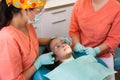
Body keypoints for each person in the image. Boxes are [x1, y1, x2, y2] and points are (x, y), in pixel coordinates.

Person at [0, 0, 54, 80]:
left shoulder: (28, 25)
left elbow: (29, 42)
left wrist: (53, 40)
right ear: (25, 10)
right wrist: (37, 64)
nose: (40, 14)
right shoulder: (7, 38)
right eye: (38, 11)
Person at [69, 0, 120, 80]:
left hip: (103, 53)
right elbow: (74, 30)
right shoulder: (80, 3)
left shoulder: (116, 8)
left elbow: (114, 39)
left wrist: (97, 50)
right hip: (80, 52)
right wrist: (77, 44)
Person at [41, 38, 115, 80]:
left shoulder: (86, 59)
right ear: (54, 57)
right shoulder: (57, 74)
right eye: (57, 46)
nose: (63, 45)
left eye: (64, 42)